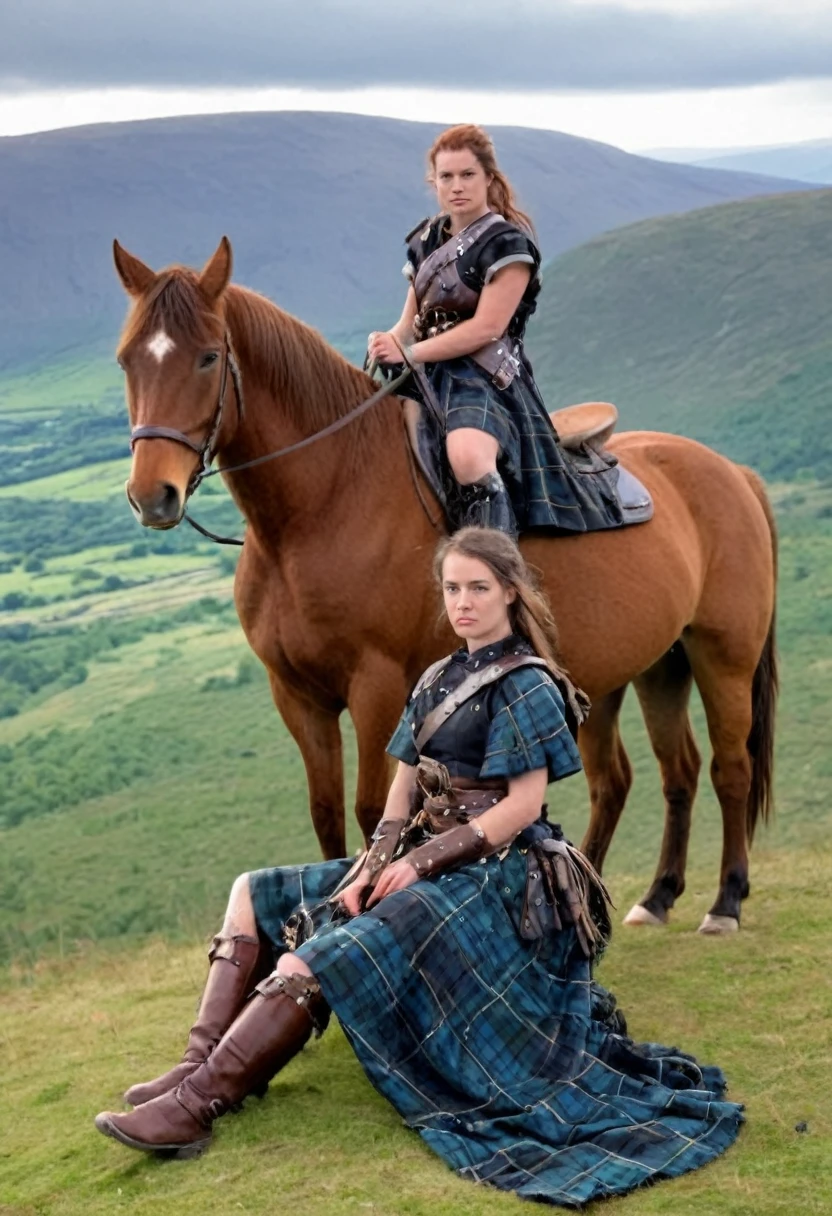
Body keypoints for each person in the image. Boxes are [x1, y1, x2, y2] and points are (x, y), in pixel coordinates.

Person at [95, 528, 742, 1207]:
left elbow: (521, 807)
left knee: (318, 958)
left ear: (511, 593)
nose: (462, 603)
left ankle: (197, 1108)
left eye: (478, 589)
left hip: (500, 878)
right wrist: (369, 869)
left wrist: (421, 865)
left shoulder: (528, 684)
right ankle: (196, 1065)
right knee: (252, 894)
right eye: (452, 589)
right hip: (424, 862)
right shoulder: (437, 677)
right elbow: (400, 795)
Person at [367, 124, 625, 540]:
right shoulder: (426, 240)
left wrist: (411, 354)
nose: (456, 187)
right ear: (434, 182)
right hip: (425, 376)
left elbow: (487, 328)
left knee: (468, 458)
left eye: (467, 175)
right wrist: (390, 340)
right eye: (446, 177)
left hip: (485, 380)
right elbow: (409, 322)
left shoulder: (507, 245)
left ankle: (496, 571)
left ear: (489, 177)